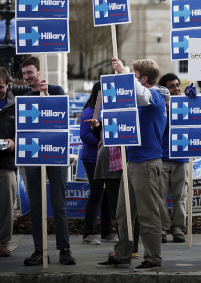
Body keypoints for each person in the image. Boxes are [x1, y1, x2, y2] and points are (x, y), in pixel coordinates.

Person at [97, 58, 169, 272]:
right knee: (123, 212)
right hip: (133, 162)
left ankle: (153, 257)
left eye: (135, 76)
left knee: (148, 214)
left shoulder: (155, 96)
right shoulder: (140, 98)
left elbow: (141, 94)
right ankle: (123, 254)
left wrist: (124, 72)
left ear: (143, 78)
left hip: (147, 164)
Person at [20, 56, 75, 266]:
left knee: (59, 205)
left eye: (30, 73)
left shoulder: (56, 91)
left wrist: (47, 95)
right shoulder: (24, 98)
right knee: (36, 206)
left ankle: (65, 249)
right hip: (33, 156)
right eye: (24, 73)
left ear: (39, 72)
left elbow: (61, 115)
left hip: (55, 153)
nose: (27, 77)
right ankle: (39, 251)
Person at [80, 82, 117, 245]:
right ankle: (88, 232)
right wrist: (103, 140)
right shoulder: (89, 111)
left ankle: (107, 231)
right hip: (92, 159)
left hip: (106, 157)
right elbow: (84, 135)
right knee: (96, 194)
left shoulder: (109, 111)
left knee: (108, 195)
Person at [157, 73, 188, 244]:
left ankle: (178, 230)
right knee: (160, 197)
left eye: (177, 85)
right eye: (172, 86)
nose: (176, 89)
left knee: (180, 197)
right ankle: (162, 229)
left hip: (181, 158)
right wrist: (166, 112)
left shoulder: (185, 104)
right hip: (162, 157)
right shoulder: (159, 107)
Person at [0, 67, 16, 258]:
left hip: (6, 163)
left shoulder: (16, 106)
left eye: (1, 87)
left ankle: (4, 243)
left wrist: (15, 143)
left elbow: (26, 133)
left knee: (5, 206)